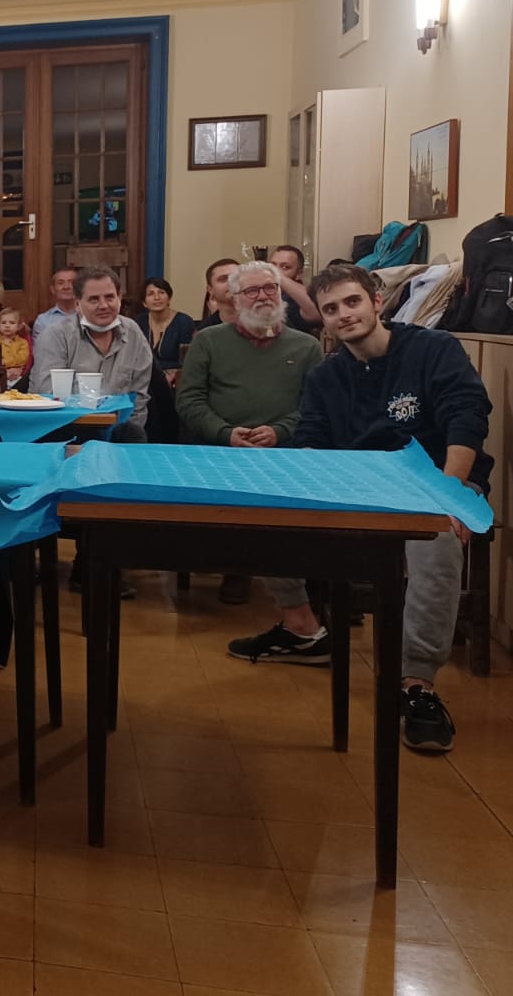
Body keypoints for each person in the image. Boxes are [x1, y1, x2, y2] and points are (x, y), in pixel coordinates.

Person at [227, 264, 493, 755]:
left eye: (351, 302)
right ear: (322, 321)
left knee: (436, 543)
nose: (343, 315)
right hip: (358, 487)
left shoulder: (432, 349)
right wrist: (285, 478)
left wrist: (449, 492)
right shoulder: (327, 377)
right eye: (330, 310)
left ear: (376, 301)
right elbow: (312, 440)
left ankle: (418, 686)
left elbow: (466, 416)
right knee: (264, 519)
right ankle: (303, 628)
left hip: (435, 480)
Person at [176, 261, 323, 604]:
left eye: (270, 288)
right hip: (221, 450)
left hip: (285, 451)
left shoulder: (306, 347)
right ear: (235, 299)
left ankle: (311, 585)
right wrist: (226, 433)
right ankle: (238, 567)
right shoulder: (208, 341)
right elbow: (189, 401)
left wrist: (280, 430)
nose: (263, 297)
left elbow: (315, 409)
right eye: (252, 291)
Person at [29, 266, 153, 439]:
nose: (103, 305)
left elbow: (138, 399)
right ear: (78, 303)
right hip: (66, 431)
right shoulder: (55, 336)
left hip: (120, 432)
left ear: (119, 298)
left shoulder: (133, 332)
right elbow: (49, 396)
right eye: (93, 299)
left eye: (110, 297)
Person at [133, 277, 196, 378]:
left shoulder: (184, 322)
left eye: (161, 292)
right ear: (144, 303)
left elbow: (189, 360)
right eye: (150, 294)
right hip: (144, 378)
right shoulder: (138, 322)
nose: (157, 297)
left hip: (176, 380)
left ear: (169, 298)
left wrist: (174, 375)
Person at [269, 244, 321, 335]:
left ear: (299, 274)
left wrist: (277, 275)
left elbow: (317, 312)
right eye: (272, 266)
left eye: (285, 267)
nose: (275, 270)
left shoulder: (296, 300)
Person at [32, 268, 79, 338]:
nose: (66, 287)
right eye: (60, 283)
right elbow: (42, 348)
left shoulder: (90, 317)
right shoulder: (43, 320)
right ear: (53, 289)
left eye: (71, 282)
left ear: (80, 288)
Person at [0, 306, 32, 386]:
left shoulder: (22, 342)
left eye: (12, 323)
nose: (7, 326)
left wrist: (5, 362)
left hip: (17, 376)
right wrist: (4, 369)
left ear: (18, 326)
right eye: (3, 323)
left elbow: (22, 359)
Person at [198, 259, 240, 329]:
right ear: (210, 289)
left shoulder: (263, 321)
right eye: (223, 279)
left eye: (236, 277)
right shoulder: (205, 333)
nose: (231, 282)